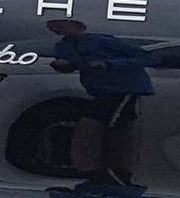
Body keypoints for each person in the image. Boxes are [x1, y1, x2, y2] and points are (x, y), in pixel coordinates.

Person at [45, 16, 159, 185]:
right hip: (100, 90)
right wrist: (63, 66)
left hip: (123, 88)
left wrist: (109, 64)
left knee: (96, 123)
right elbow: (75, 66)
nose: (56, 31)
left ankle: (101, 174)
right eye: (52, 28)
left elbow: (148, 57)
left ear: (77, 25)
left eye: (59, 26)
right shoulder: (62, 46)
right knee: (121, 124)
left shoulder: (103, 41)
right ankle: (116, 175)